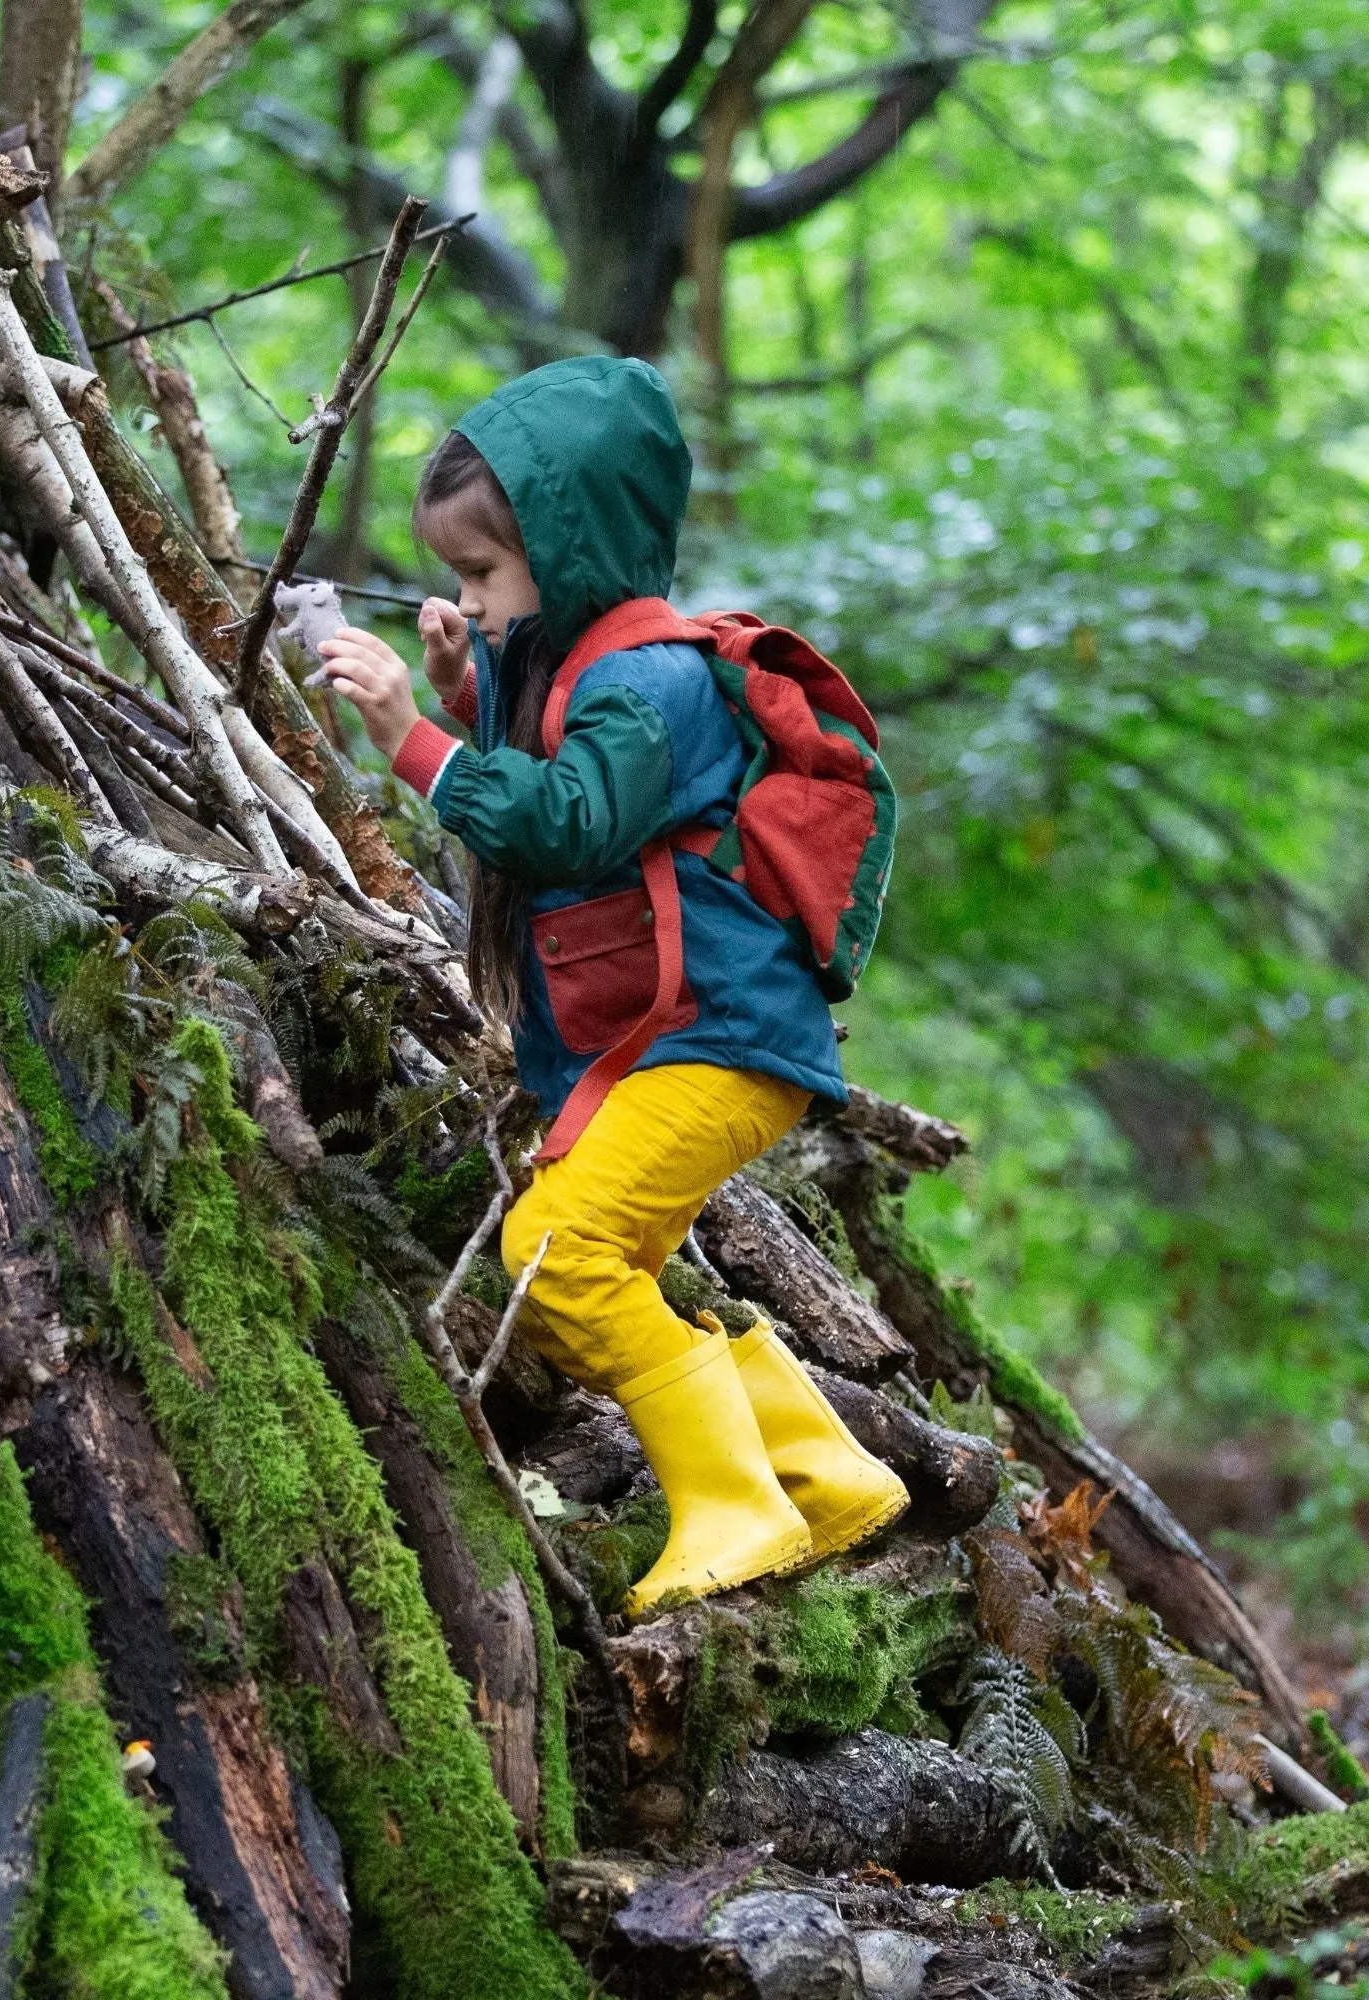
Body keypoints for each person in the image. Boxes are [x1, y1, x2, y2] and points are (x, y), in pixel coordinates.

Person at [309, 354, 907, 1615]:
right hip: (694, 1046)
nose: (466, 595)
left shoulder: (646, 678)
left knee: (555, 1250)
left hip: (716, 1044)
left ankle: (734, 1507)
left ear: (565, 549)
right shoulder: (606, 675)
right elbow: (575, 788)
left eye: (483, 574)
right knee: (606, 1248)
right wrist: (474, 692)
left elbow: (571, 821)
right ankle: (818, 1464)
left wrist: (410, 738)